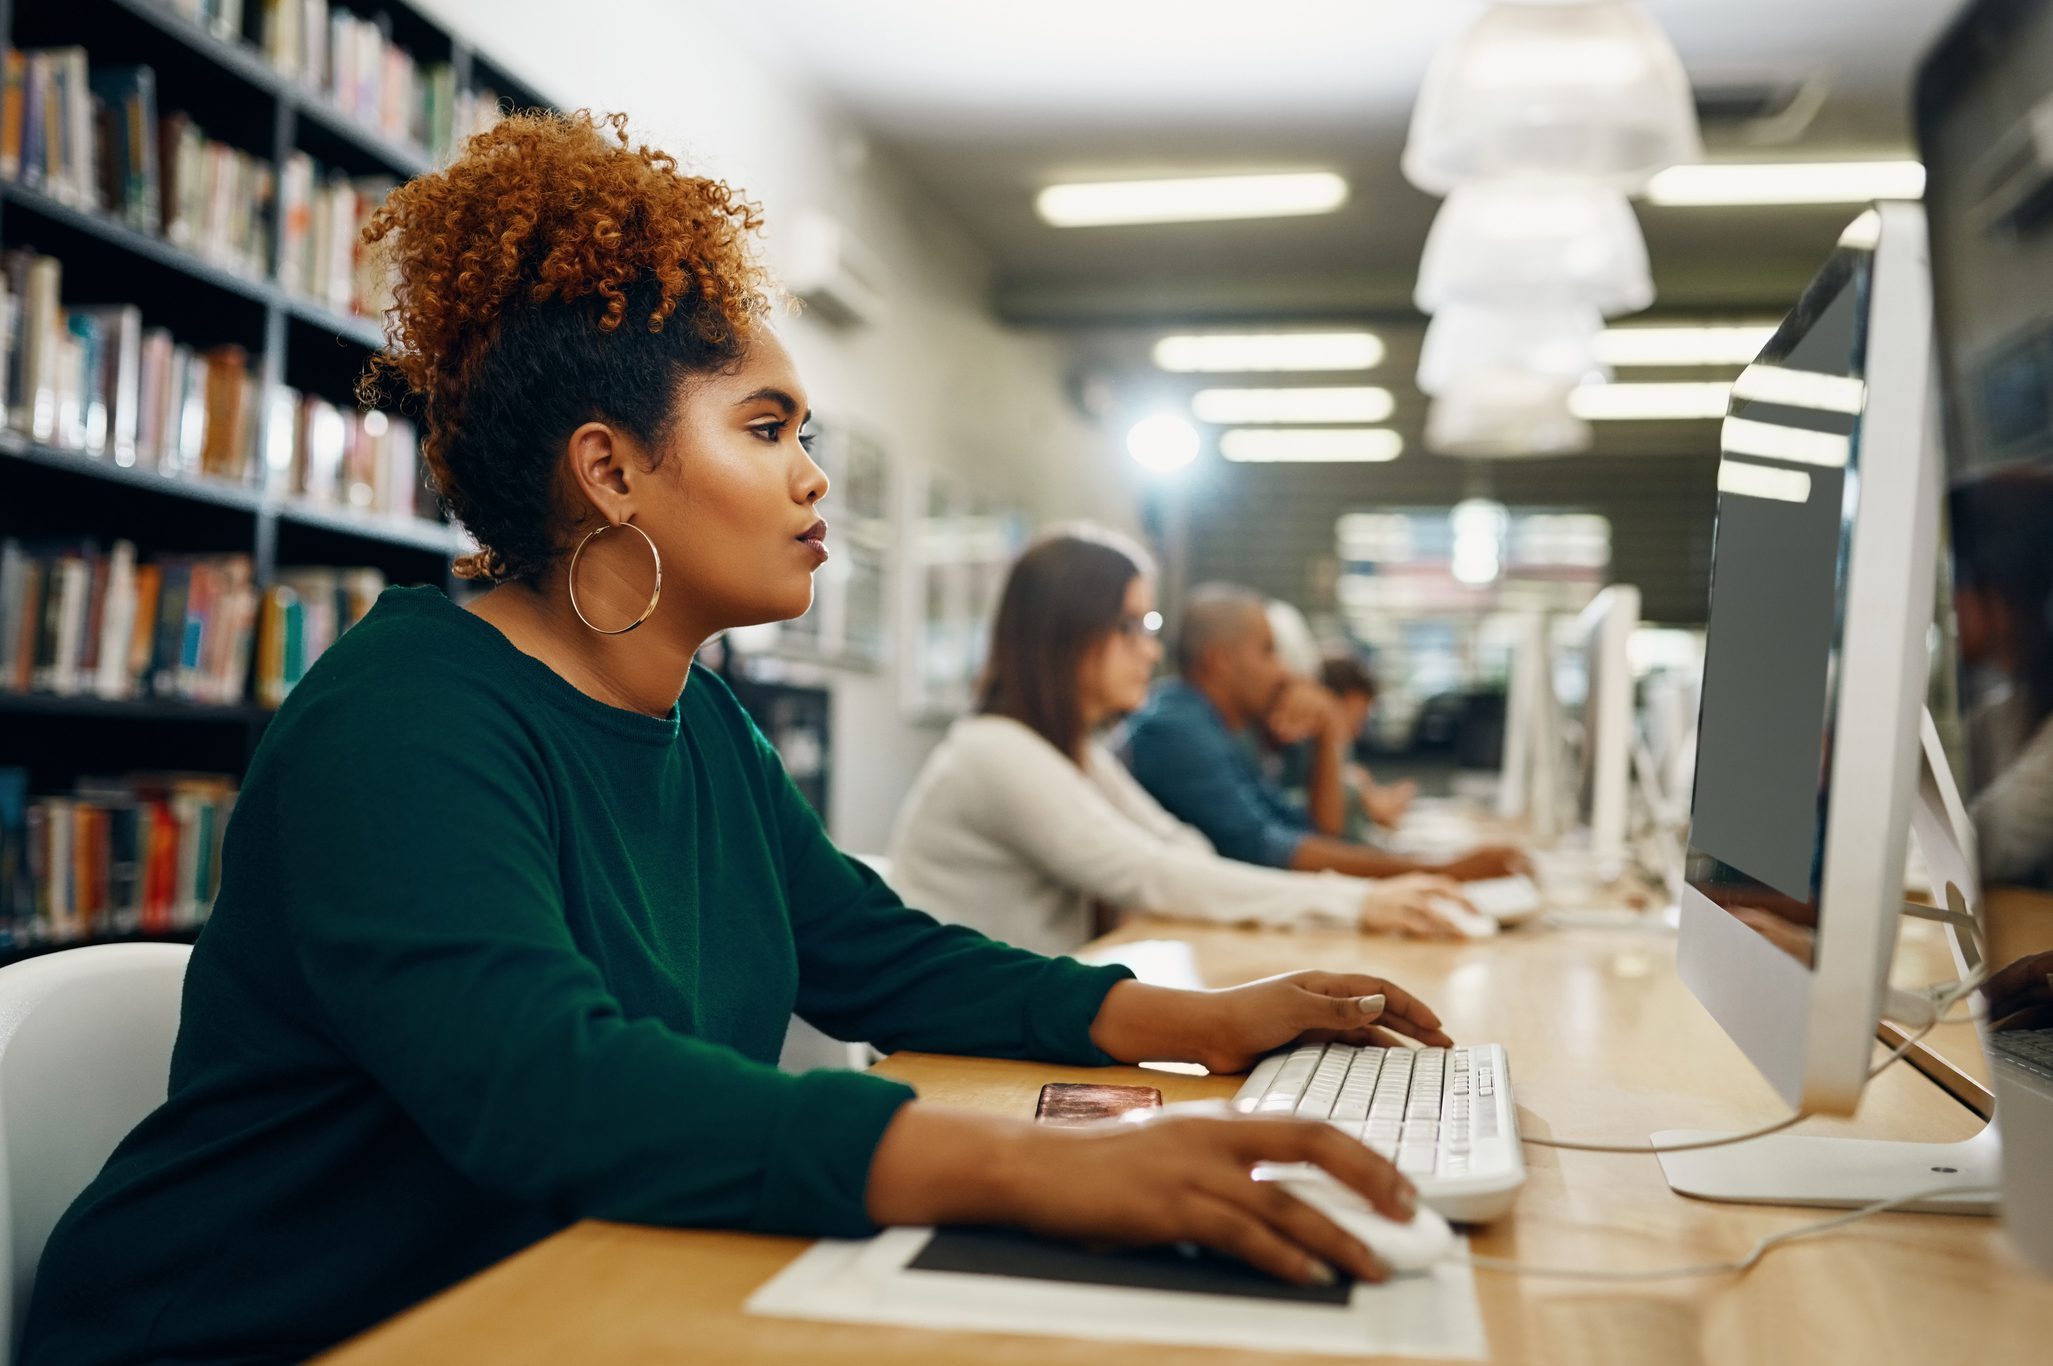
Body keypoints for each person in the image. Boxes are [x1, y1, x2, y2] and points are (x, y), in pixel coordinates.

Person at [21, 112, 1446, 1366]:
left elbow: (882, 955)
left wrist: (1211, 1023)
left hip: (544, 1294)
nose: (815, 476)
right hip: (266, 1334)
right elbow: (550, 1089)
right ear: (612, 468)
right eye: (766, 428)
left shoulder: (697, 717)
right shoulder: (400, 721)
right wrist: (1019, 1168)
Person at [886, 531, 1470, 954]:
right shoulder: (996, 753)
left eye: (1151, 627)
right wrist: (1358, 903)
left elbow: (1178, 847)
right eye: (1130, 627)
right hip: (945, 1061)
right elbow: (1152, 873)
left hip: (1012, 1023)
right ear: (1066, 633)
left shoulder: (1069, 749)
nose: (1152, 650)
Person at [1123, 584, 1526, 883]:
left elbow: (1310, 831)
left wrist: (1331, 728)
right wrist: (1444, 870)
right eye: (1267, 651)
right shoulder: (1177, 728)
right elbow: (1272, 852)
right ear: (1219, 662)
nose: (1282, 670)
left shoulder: (1219, 728)